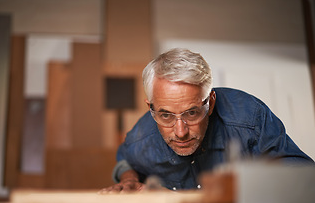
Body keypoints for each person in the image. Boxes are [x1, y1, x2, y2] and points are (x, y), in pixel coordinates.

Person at [100, 48, 314, 193]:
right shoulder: (141, 135)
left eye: (192, 113)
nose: (181, 132)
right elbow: (125, 160)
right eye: (165, 115)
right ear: (151, 108)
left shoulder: (249, 118)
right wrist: (129, 180)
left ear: (211, 103)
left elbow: (306, 180)